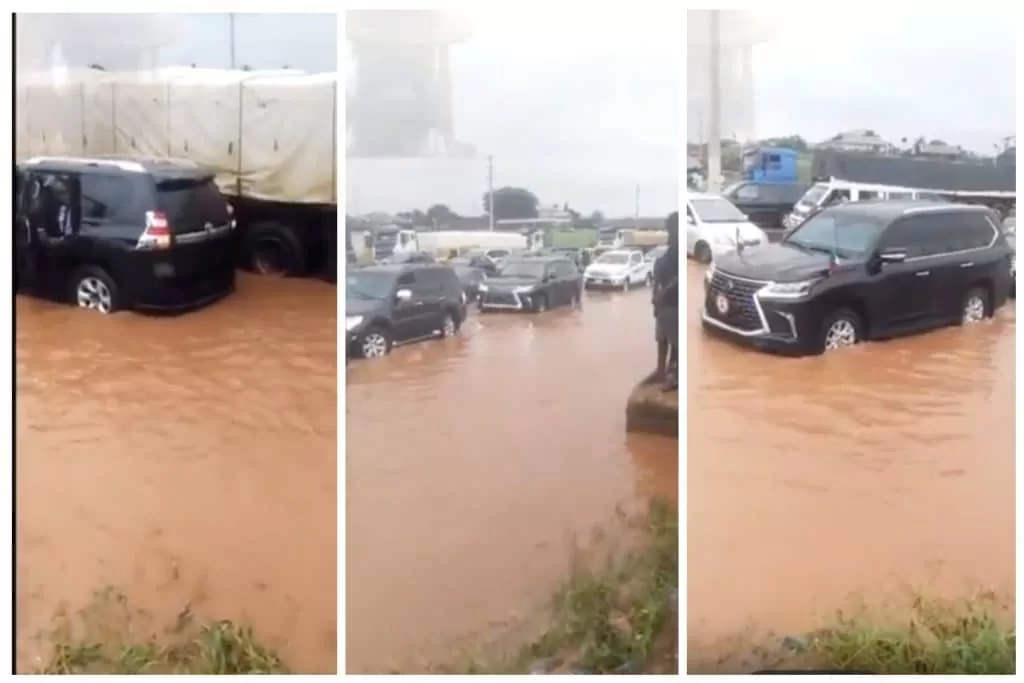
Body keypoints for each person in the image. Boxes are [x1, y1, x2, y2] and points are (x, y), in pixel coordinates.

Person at [653, 212, 679, 391]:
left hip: (674, 302)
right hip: (663, 304)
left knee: (675, 342)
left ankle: (673, 376)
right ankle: (660, 370)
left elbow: (678, 277)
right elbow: (660, 272)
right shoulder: (670, 249)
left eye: (671, 228)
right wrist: (655, 294)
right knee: (661, 339)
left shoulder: (679, 249)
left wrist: (663, 291)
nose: (669, 232)